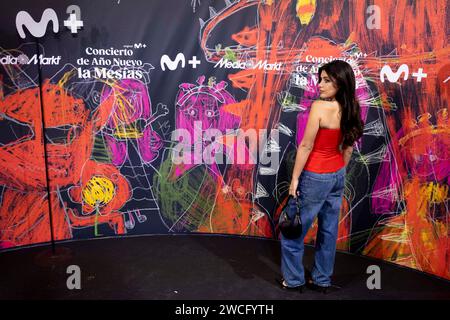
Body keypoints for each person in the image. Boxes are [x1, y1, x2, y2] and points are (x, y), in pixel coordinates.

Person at [278, 60, 364, 293]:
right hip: (337, 175)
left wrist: (295, 180)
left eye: (327, 80)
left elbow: (306, 146)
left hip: (315, 176)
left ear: (341, 81)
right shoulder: (352, 107)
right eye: (320, 79)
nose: (320, 84)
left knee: (293, 231)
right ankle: (321, 279)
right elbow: (348, 149)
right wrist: (339, 172)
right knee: (327, 232)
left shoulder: (319, 107)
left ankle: (294, 281)